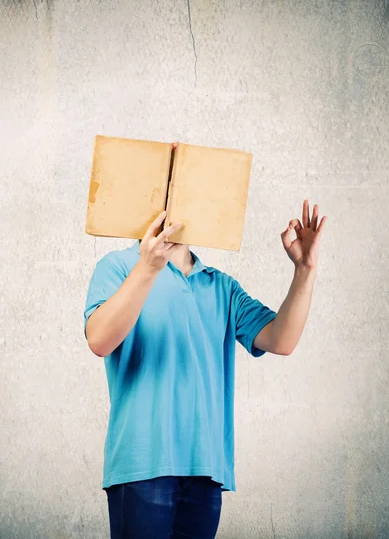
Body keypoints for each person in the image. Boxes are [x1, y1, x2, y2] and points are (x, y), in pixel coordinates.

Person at [84, 189, 326, 539]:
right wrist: (149, 266)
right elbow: (99, 340)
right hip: (141, 467)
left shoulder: (222, 287)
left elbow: (282, 340)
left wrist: (305, 270)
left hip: (206, 469)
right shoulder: (118, 267)